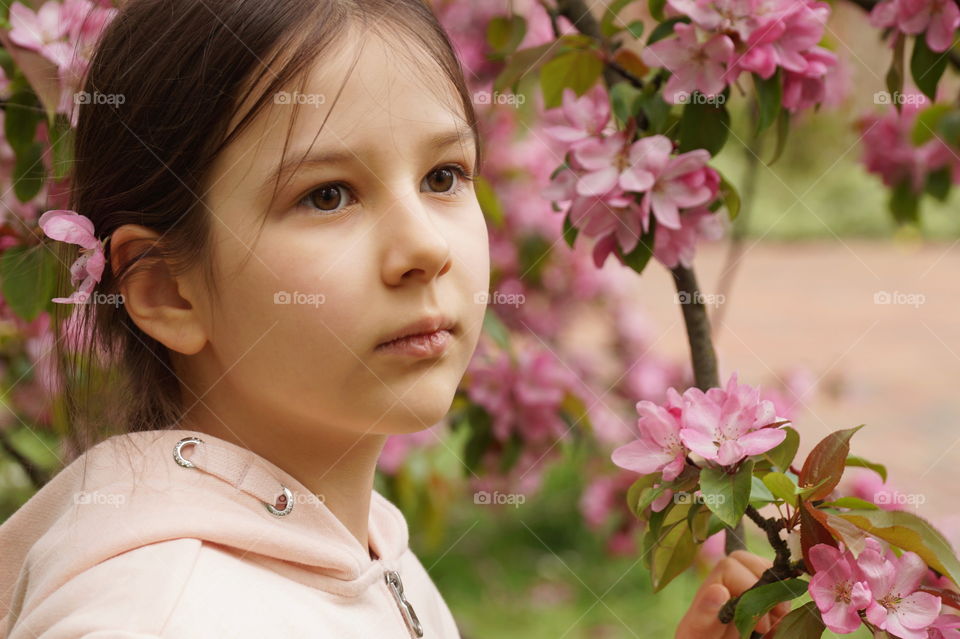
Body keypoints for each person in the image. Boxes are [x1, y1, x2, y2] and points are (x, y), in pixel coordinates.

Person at [0, 1, 789, 637]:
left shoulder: (360, 546)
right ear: (170, 289)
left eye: (445, 175)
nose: (424, 246)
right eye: (328, 194)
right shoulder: (162, 614)